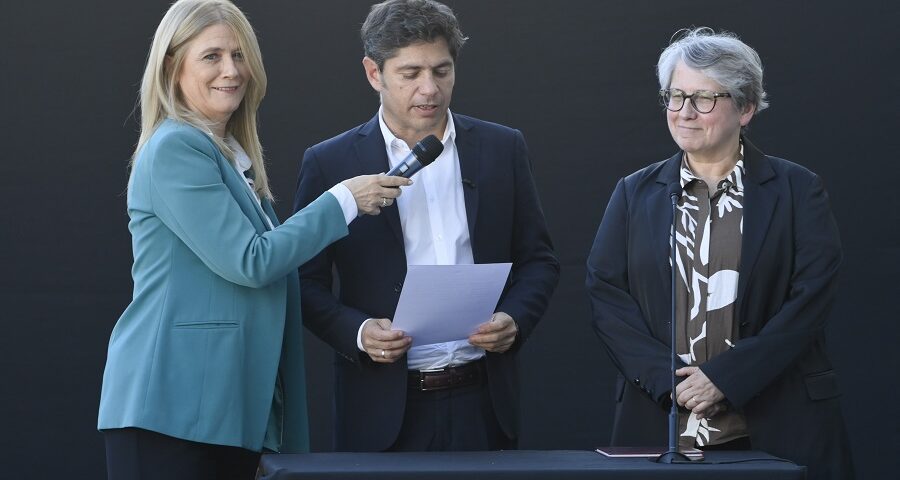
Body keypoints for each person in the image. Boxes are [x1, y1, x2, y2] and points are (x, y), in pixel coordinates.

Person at [97, 1, 410, 478]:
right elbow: (251, 261)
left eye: (240, 55)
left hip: (223, 413)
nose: (232, 70)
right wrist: (343, 200)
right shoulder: (176, 147)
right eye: (212, 56)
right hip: (171, 411)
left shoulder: (230, 158)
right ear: (172, 66)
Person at [586, 27, 853, 479]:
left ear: (745, 108)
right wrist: (670, 382)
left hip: (779, 424)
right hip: (662, 422)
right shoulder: (634, 192)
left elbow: (811, 300)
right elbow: (606, 295)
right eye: (676, 96)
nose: (685, 112)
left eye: (704, 98)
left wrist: (726, 379)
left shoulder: (797, 189)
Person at [294, 0, 559, 452]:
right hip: (380, 409)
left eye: (441, 71)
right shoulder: (330, 162)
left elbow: (539, 261)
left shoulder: (502, 148)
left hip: (484, 402)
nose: (430, 89)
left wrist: (514, 319)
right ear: (374, 73)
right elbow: (303, 281)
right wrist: (358, 332)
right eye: (410, 73)